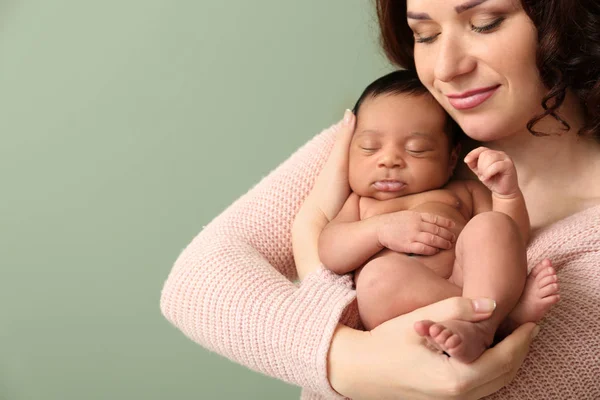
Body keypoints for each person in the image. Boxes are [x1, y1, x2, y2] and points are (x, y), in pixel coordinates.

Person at [160, 0, 600, 398]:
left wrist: (312, 258)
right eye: (425, 35)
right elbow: (195, 283)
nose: (445, 69)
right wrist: (350, 359)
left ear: (566, 19)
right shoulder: (397, 134)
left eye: (485, 24)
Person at [317, 70, 559, 363]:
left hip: (466, 278)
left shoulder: (462, 193)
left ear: (452, 158)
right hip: (403, 304)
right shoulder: (361, 204)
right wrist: (379, 230)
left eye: (416, 149)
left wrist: (506, 195)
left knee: (491, 225)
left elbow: (512, 239)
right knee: (376, 280)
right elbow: (330, 250)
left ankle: (482, 322)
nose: (389, 160)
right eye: (370, 147)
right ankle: (498, 318)